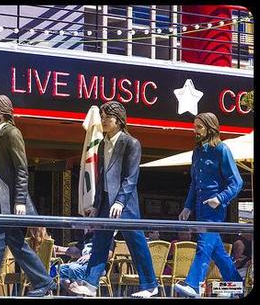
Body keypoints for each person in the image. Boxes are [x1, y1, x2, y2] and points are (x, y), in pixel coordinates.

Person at [0, 95, 56, 297]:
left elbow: (22, 169)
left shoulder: (12, 133)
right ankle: (42, 281)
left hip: (12, 202)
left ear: (0, 112)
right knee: (11, 243)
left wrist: (20, 200)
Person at [69, 101, 158, 298]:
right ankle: (91, 284)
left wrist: (120, 201)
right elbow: (101, 178)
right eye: (101, 116)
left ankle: (151, 285)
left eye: (106, 117)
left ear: (118, 120)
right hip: (104, 203)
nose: (103, 121)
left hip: (124, 204)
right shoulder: (102, 144)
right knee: (100, 241)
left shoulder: (131, 143)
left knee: (137, 243)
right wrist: (96, 204)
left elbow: (130, 177)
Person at [174, 112, 243, 298]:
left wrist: (220, 199)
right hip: (200, 205)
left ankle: (193, 285)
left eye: (199, 127)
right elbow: (194, 184)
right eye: (194, 126)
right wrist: (187, 207)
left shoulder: (222, 149)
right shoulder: (197, 152)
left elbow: (236, 182)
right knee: (218, 251)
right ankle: (238, 286)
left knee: (204, 246)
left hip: (215, 208)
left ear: (210, 128)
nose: (194, 130)